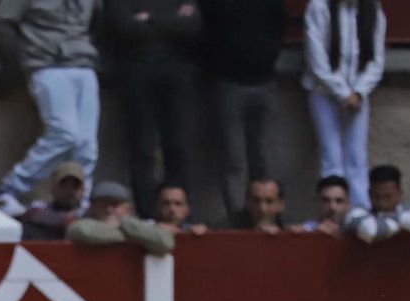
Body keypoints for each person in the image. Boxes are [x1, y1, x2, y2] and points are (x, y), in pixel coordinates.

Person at [0, 0, 101, 217]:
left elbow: (98, 19)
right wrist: (21, 57)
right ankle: (9, 190)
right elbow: (1, 22)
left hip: (84, 64)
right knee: (64, 133)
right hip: (47, 65)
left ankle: (81, 202)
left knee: (87, 144)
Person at [107, 0, 203, 220]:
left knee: (177, 145)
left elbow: (193, 26)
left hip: (177, 73)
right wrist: (172, 22)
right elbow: (123, 27)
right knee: (143, 147)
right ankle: (147, 213)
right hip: (137, 73)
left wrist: (149, 19)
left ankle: (178, 211)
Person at [201, 0, 287, 214]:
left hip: (264, 80)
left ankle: (267, 214)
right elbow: (203, 30)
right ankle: (238, 216)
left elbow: (280, 24)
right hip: (229, 83)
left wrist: (269, 55)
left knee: (265, 157)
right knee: (233, 158)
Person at [303, 0, 385, 206]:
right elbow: (317, 59)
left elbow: (377, 59)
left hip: (358, 93)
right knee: (331, 156)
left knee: (356, 157)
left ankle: (359, 210)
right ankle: (333, 210)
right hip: (323, 92)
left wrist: (358, 91)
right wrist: (342, 93)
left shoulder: (372, 10)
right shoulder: (319, 6)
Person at [68, 181, 176, 254]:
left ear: (128, 208)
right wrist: (126, 235)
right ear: (91, 207)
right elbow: (80, 231)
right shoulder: (82, 223)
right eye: (103, 204)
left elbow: (166, 242)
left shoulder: (137, 227)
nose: (109, 209)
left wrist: (124, 223)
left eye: (115, 204)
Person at [344, 163, 410, 243]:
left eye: (388, 197)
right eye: (377, 196)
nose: (382, 203)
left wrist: (390, 217)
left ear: (399, 194)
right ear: (369, 194)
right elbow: (370, 231)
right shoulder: (357, 213)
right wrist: (405, 223)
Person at [17, 161, 86, 240]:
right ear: (53, 188)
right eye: (64, 185)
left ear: (83, 190)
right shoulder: (35, 215)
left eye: (75, 186)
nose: (69, 191)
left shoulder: (88, 217)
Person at [220, 177, 286, 233]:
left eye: (269, 202)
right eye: (256, 201)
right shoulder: (227, 229)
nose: (262, 209)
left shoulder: (288, 226)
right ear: (246, 202)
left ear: (281, 205)